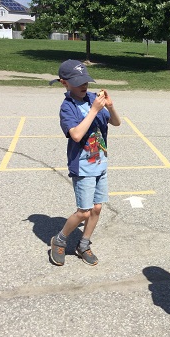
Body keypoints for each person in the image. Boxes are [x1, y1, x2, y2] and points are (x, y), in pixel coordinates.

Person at [49, 59, 121, 266]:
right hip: (82, 167)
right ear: (64, 83)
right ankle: (59, 239)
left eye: (86, 81)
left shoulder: (92, 99)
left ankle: (83, 244)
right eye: (78, 82)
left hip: (100, 163)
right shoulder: (67, 107)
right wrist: (94, 111)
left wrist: (110, 106)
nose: (84, 86)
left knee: (97, 208)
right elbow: (77, 135)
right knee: (84, 211)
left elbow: (116, 122)